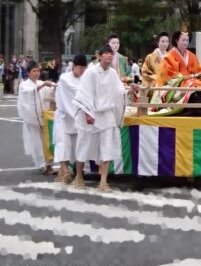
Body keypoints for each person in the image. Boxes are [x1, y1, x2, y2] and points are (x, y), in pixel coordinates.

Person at [74, 45, 132, 192]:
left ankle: (103, 181)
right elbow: (84, 93)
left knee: (107, 147)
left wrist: (129, 90)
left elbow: (118, 91)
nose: (109, 56)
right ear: (100, 56)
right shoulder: (91, 72)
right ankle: (79, 176)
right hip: (92, 113)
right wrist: (87, 113)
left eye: (111, 54)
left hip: (107, 115)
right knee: (84, 146)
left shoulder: (113, 73)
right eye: (106, 53)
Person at [53, 55, 88, 185]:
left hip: (78, 117)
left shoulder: (85, 79)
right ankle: (65, 171)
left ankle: (74, 174)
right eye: (80, 68)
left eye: (84, 68)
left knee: (77, 147)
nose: (82, 70)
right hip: (64, 116)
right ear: (74, 66)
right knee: (63, 144)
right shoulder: (64, 78)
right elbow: (73, 93)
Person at [18, 61, 56, 174]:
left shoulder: (41, 82)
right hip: (32, 118)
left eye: (38, 71)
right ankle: (41, 164)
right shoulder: (24, 84)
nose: (36, 73)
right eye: (34, 71)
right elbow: (30, 92)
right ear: (28, 73)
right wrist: (44, 85)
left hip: (43, 116)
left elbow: (51, 90)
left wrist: (54, 86)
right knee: (36, 142)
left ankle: (49, 164)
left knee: (47, 141)